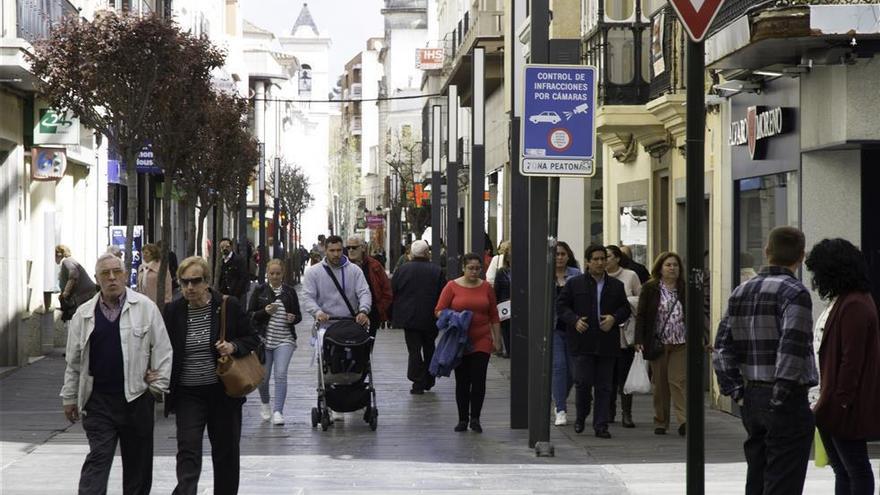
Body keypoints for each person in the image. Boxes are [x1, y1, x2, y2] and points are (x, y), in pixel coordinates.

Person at [713, 226, 818, 495]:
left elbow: (722, 347)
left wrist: (736, 391)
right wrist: (781, 393)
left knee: (757, 475)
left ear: (766, 251)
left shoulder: (741, 291)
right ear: (801, 256)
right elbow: (792, 347)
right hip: (785, 396)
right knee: (783, 479)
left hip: (752, 393)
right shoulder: (795, 292)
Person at [60, 253, 173, 495]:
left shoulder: (145, 308)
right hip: (98, 401)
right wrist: (69, 397)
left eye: (116, 272)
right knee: (97, 461)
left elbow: (163, 350)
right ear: (97, 279)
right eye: (105, 273)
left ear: (124, 275)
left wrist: (157, 388)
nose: (112, 277)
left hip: (136, 400)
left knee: (138, 469)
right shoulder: (84, 314)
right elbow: (74, 361)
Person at [163, 256, 260, 495]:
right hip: (187, 393)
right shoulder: (173, 310)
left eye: (195, 281)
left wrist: (233, 347)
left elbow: (252, 338)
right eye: (184, 282)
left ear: (207, 282)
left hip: (223, 392)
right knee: (188, 448)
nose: (189, 288)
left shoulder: (228, 305)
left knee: (226, 452)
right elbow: (163, 346)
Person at [805, 238, 880, 494]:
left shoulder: (855, 305)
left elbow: (852, 360)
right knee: (843, 468)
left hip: (842, 403)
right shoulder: (844, 300)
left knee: (854, 467)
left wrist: (840, 402)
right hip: (830, 400)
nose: (815, 280)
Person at [557, 245, 630, 438]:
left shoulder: (616, 286)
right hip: (583, 342)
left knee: (605, 386)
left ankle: (601, 425)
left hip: (607, 342)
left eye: (603, 259)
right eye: (596, 259)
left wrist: (614, 318)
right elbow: (562, 306)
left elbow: (625, 309)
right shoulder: (575, 284)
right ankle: (581, 416)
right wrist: (574, 320)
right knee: (582, 383)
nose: (600, 262)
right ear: (588, 262)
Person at [435, 253, 502, 433]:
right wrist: (453, 317)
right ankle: (462, 418)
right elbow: (439, 310)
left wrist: (497, 338)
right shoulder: (452, 286)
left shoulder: (486, 287)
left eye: (477, 268)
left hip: (482, 339)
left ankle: (476, 418)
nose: (474, 272)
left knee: (478, 379)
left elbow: (494, 314)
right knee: (462, 380)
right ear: (463, 268)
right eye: (470, 268)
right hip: (460, 340)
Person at [634, 251, 688, 436]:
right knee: (661, 385)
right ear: (660, 268)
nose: (672, 268)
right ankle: (661, 421)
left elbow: (693, 315)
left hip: (681, 342)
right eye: (668, 265)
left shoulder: (684, 288)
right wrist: (639, 339)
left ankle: (683, 420)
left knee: (677, 381)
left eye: (675, 265)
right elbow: (641, 315)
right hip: (658, 343)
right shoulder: (650, 288)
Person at [248, 259, 301, 425]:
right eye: (272, 273)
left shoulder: (289, 292)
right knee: (263, 378)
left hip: (285, 339)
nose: (275, 276)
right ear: (267, 274)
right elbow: (250, 315)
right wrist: (264, 311)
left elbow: (298, 315)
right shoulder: (260, 291)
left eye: (278, 273)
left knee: (280, 374)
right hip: (264, 341)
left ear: (283, 273)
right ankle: (265, 403)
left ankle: (278, 411)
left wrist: (293, 318)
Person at [392, 240, 444, 394]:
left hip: (409, 317)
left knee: (414, 350)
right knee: (429, 347)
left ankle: (417, 381)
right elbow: (443, 293)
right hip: (430, 317)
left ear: (411, 254)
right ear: (427, 253)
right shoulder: (436, 270)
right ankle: (429, 378)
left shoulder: (402, 270)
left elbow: (393, 290)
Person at [606, 244, 641, 428]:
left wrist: (625, 301)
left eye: (609, 256)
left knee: (624, 377)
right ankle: (608, 411)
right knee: (607, 377)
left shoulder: (630, 276)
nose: (605, 260)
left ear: (618, 258)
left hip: (626, 334)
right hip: (605, 334)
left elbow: (641, 300)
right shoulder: (598, 278)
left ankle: (626, 414)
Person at [552, 241, 581, 426]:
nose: (559, 257)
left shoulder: (576, 275)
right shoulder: (545, 275)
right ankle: (560, 408)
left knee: (573, 372)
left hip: (573, 328)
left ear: (568, 256)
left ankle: (558, 395)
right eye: (556, 254)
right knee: (559, 367)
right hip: (553, 328)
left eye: (563, 254)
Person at [346, 236, 392, 337]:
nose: (350, 250)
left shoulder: (374, 266)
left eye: (354, 247)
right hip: (348, 316)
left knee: (367, 347)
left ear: (363, 248)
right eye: (348, 247)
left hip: (371, 315)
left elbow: (386, 290)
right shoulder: (343, 267)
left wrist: (379, 310)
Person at [56, 244, 97, 322]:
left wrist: (65, 293)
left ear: (59, 254)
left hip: (84, 296)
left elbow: (73, 275)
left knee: (81, 320)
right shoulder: (70, 261)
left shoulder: (67, 261)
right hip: (86, 295)